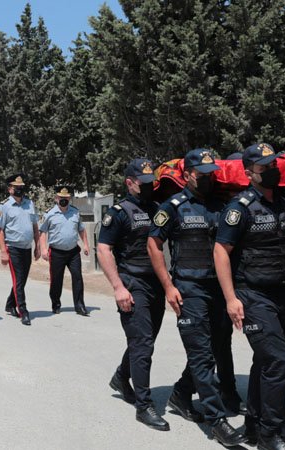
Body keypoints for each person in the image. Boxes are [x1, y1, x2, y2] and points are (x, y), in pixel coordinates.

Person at [214, 143, 285, 450]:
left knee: (268, 360)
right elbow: (221, 251)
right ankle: (269, 434)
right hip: (253, 294)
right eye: (265, 167)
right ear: (249, 173)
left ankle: (253, 423)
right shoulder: (239, 208)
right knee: (278, 361)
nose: (273, 171)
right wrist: (231, 299)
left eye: (274, 165)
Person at [148, 149, 245, 447]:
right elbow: (153, 244)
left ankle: (180, 394)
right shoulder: (174, 206)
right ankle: (216, 420)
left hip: (218, 288)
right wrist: (168, 286)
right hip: (189, 289)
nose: (208, 178)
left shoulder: (222, 205)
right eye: (202, 174)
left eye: (211, 173)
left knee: (215, 349)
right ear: (188, 175)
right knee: (202, 355)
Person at [99, 158, 191, 431]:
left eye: (152, 183)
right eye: (144, 183)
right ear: (129, 183)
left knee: (145, 338)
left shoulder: (157, 208)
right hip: (132, 283)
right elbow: (103, 249)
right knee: (143, 344)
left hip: (155, 284)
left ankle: (121, 376)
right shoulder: (118, 212)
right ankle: (144, 406)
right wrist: (118, 287)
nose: (150, 187)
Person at [0, 174, 40, 326]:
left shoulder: (29, 204)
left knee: (22, 280)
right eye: (16, 187)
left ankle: (10, 304)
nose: (20, 190)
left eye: (21, 187)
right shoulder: (4, 206)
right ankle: (23, 310)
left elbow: (35, 226)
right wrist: (3, 251)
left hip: (27, 247)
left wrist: (38, 245)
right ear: (10, 189)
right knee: (19, 279)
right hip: (13, 247)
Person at [40, 186, 90, 316]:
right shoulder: (49, 213)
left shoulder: (75, 212)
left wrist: (86, 244)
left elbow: (81, 229)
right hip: (56, 252)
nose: (64, 200)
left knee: (77, 277)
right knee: (56, 279)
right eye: (61, 197)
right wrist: (43, 249)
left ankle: (79, 305)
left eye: (66, 198)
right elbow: (43, 232)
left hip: (73, 252)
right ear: (56, 198)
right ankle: (56, 303)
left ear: (69, 198)